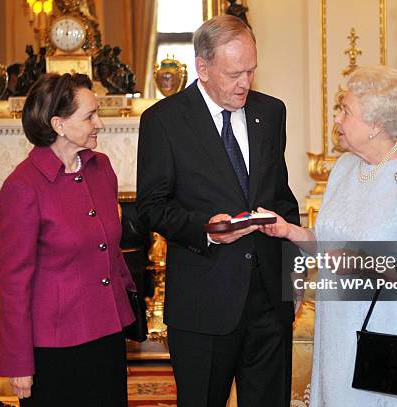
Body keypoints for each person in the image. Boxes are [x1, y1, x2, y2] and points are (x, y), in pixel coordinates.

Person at [259, 65, 397, 406]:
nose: (337, 119)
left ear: (375, 125)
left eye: (346, 111)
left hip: (388, 334)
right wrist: (289, 231)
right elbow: (331, 243)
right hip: (337, 329)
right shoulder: (344, 168)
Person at [136, 14, 300, 407]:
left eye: (251, 70)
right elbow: (151, 208)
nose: (245, 83)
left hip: (268, 304)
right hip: (203, 305)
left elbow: (281, 196)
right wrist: (206, 230)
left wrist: (290, 279)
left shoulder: (271, 112)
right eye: (234, 73)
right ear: (203, 67)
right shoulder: (164, 121)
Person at [0, 73, 137, 406]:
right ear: (58, 123)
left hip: (107, 336)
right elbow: (13, 282)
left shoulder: (101, 168)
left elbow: (110, 249)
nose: (99, 123)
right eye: (89, 116)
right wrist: (18, 363)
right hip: (54, 348)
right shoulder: (22, 185)